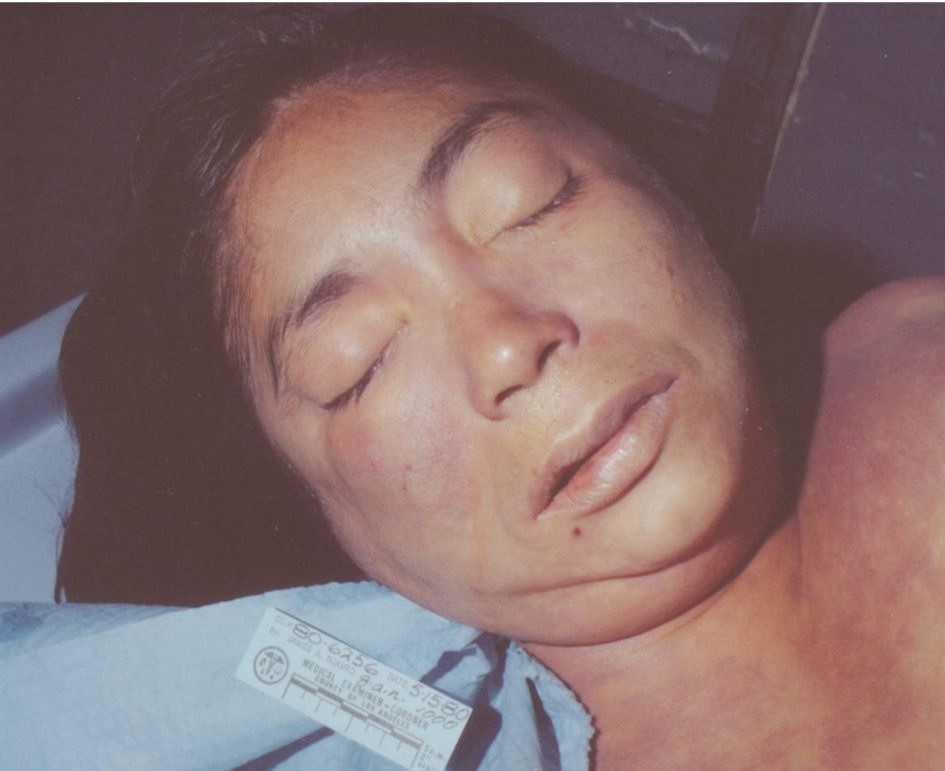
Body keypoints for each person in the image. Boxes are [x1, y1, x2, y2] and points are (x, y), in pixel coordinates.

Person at [30, 4, 945, 767]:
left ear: (665, 188)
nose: (507, 345)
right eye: (358, 363)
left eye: (531, 199)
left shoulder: (908, 352)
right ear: (323, 516)